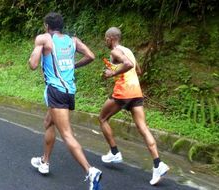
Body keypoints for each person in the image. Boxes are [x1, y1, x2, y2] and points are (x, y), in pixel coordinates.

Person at [28, 12, 102, 190]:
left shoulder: (44, 39)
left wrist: (36, 50)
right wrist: (73, 65)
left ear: (47, 26)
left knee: (67, 134)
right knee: (48, 122)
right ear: (61, 26)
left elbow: (33, 64)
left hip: (56, 90)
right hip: (69, 91)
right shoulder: (72, 40)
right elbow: (91, 56)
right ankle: (44, 162)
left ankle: (90, 171)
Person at [98, 27, 169, 186]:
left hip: (123, 92)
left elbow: (128, 65)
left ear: (111, 38)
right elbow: (138, 69)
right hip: (136, 92)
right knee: (143, 128)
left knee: (102, 118)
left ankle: (115, 152)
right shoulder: (127, 50)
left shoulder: (116, 51)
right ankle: (158, 164)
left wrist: (112, 73)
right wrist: (116, 70)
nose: (105, 41)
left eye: (105, 38)